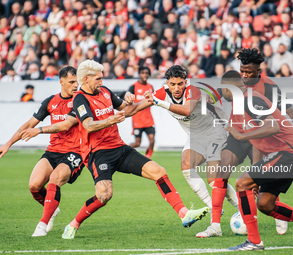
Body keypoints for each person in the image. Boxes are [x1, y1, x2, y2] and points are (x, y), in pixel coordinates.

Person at [26, 60, 209, 239]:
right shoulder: (79, 99)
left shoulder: (105, 91)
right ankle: (74, 223)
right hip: (98, 154)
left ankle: (184, 213)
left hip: (119, 148)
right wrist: (110, 120)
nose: (101, 81)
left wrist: (135, 101)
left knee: (159, 172)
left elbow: (127, 110)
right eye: (98, 78)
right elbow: (88, 125)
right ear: (86, 79)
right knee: (104, 195)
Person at [198, 48, 293, 238]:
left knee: (255, 184)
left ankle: (276, 214)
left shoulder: (269, 88)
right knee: (222, 170)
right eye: (242, 71)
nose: (244, 76)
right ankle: (215, 225)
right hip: (238, 133)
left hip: (260, 137)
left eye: (248, 72)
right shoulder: (238, 84)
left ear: (259, 70)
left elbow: (290, 110)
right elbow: (222, 93)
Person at [126, 65, 239, 237]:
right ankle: (213, 209)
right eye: (173, 84)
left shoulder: (192, 91)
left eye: (180, 83)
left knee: (213, 179)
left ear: (186, 82)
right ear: (167, 84)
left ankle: (243, 210)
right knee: (186, 165)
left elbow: (186, 111)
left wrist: (158, 102)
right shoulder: (161, 94)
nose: (177, 88)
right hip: (196, 136)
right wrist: (117, 106)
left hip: (216, 131)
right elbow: (133, 109)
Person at [220, 70, 293, 251]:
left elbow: (272, 126)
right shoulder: (243, 102)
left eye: (223, 88)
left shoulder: (249, 100)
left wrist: (241, 137)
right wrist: (256, 173)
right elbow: (257, 142)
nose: (222, 93)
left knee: (242, 183)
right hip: (289, 153)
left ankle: (254, 241)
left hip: (289, 152)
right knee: (265, 204)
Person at [0, 66, 84, 237]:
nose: (76, 85)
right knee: (34, 186)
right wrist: (8, 143)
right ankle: (52, 209)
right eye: (71, 82)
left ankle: (42, 225)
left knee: (54, 179)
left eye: (77, 81)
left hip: (75, 152)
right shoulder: (50, 102)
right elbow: (28, 125)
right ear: (61, 82)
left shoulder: (80, 101)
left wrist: (39, 130)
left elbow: (66, 124)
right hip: (53, 151)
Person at [127, 67, 155, 158]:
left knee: (152, 140)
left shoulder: (150, 87)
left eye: (147, 73)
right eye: (142, 72)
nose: (145, 75)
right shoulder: (133, 87)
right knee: (137, 143)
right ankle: (123, 151)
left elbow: (154, 100)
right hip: (137, 120)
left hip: (148, 120)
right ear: (139, 74)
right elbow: (127, 99)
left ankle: (147, 157)